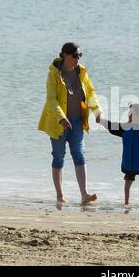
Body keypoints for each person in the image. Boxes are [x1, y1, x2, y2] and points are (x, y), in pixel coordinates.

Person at [38, 42, 102, 208]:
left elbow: (91, 92)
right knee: (59, 156)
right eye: (75, 56)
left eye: (80, 55)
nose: (78, 59)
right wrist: (61, 117)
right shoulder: (54, 74)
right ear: (65, 55)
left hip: (77, 120)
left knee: (79, 155)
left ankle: (84, 194)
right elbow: (51, 100)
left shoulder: (81, 72)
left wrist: (97, 111)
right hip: (58, 122)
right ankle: (60, 195)